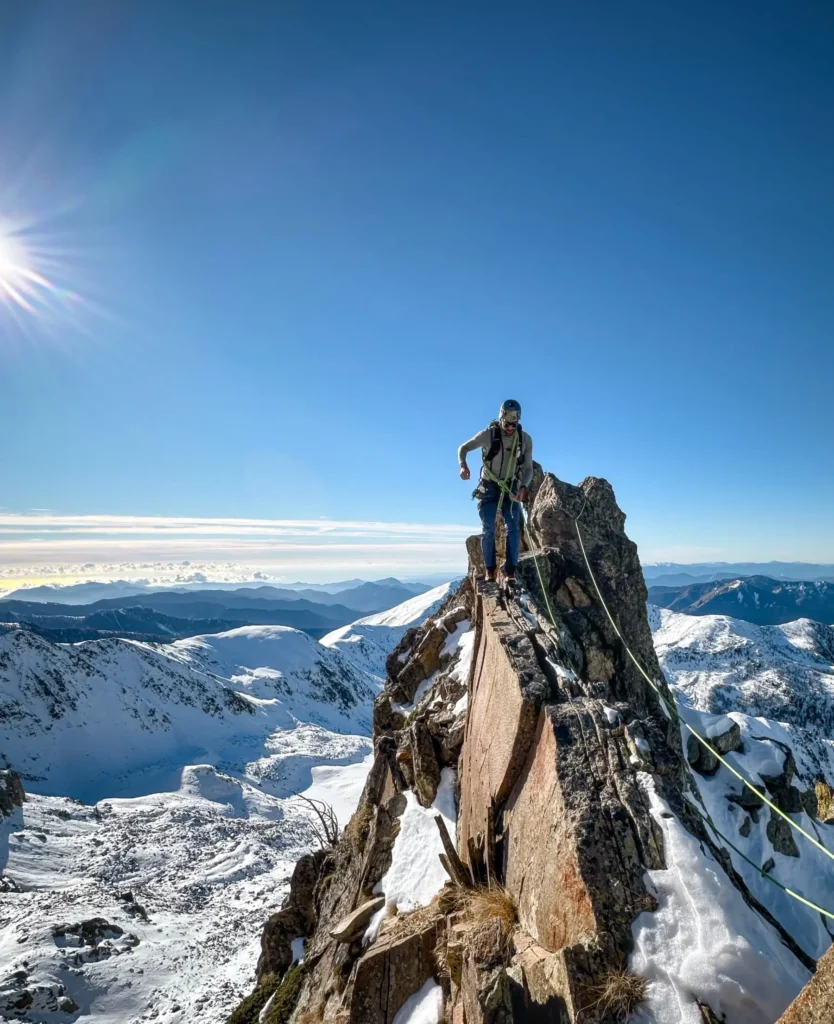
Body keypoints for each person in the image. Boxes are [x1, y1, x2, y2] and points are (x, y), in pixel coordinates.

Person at [458, 399, 533, 582]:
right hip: (489, 486)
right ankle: (490, 570)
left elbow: (528, 467)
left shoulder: (524, 439)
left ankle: (510, 573)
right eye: (507, 424)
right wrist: (463, 465)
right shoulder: (488, 435)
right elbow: (464, 448)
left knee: (513, 527)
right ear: (500, 419)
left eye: (513, 424)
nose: (509, 428)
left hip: (511, 485)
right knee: (488, 528)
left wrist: (523, 486)